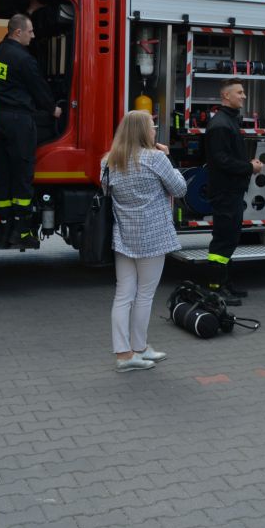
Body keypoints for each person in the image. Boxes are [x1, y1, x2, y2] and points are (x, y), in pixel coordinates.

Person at [106, 111, 187, 372]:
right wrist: (167, 158)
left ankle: (125, 353)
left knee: (123, 294)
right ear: (143, 132)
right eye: (152, 128)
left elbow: (106, 192)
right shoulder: (156, 159)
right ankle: (138, 348)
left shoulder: (109, 161)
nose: (154, 131)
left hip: (124, 237)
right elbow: (180, 189)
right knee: (145, 295)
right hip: (152, 236)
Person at [0, 13, 61, 249]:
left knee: (3, 174)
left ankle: (5, 227)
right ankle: (20, 232)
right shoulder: (24, 59)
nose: (33, 35)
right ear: (17, 32)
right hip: (19, 121)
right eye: (30, 31)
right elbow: (39, 89)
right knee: (22, 175)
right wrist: (53, 109)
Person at [204, 78, 264, 306]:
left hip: (231, 191)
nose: (244, 96)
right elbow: (221, 160)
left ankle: (224, 283)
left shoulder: (227, 121)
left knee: (229, 239)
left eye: (244, 92)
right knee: (222, 242)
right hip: (225, 192)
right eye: (239, 92)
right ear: (226, 96)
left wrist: (248, 163)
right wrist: (250, 167)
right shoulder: (221, 124)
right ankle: (215, 288)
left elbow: (227, 157)